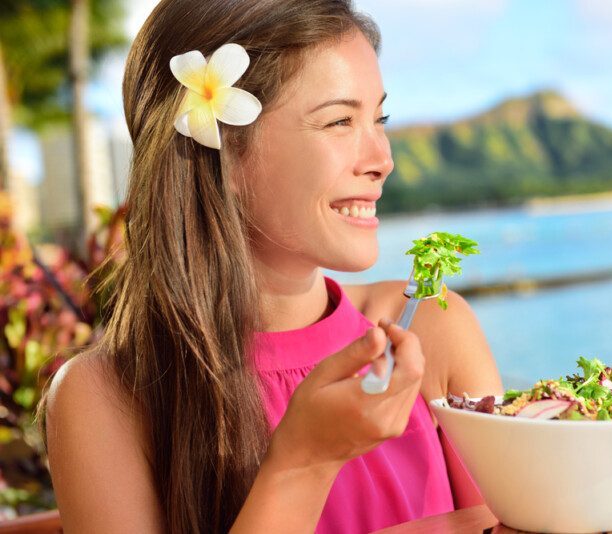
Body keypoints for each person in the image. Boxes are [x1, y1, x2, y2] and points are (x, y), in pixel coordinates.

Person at [40, 0, 504, 532]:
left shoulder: (431, 327)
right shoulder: (104, 398)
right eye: (339, 121)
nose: (382, 158)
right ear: (225, 155)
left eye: (379, 118)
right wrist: (303, 463)